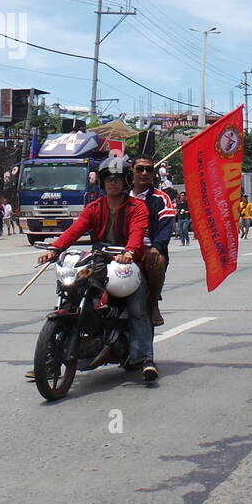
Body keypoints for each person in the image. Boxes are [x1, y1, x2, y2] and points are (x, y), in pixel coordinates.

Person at [33, 156, 157, 382]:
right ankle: (48, 360)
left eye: (118, 179)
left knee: (137, 309)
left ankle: (145, 359)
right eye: (108, 178)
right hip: (99, 260)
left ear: (126, 181)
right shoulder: (94, 207)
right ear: (101, 181)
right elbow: (75, 230)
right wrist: (54, 249)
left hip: (126, 263)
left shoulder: (137, 207)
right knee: (70, 293)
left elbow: (138, 232)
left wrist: (129, 251)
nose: (113, 183)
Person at [128, 155, 176, 327]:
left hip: (148, 251)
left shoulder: (161, 199)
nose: (144, 173)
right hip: (121, 250)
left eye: (149, 169)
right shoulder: (121, 197)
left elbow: (166, 228)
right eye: (140, 169)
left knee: (157, 260)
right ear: (131, 171)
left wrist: (156, 247)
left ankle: (153, 301)